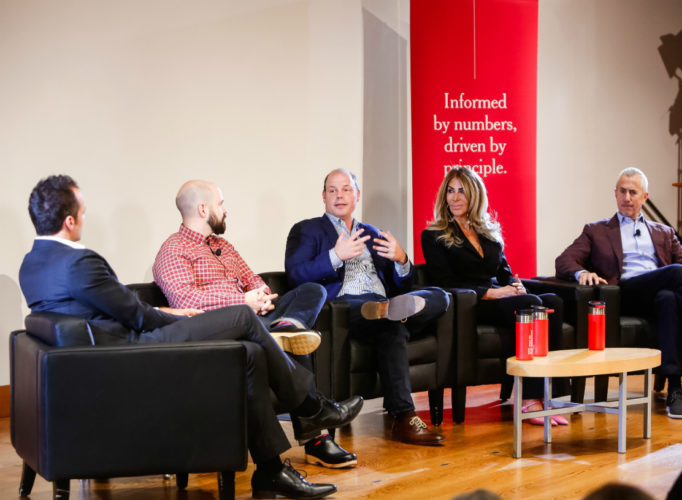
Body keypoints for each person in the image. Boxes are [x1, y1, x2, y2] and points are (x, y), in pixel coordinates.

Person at [19, 175, 362, 499]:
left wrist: (166, 312)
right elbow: (137, 316)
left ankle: (270, 470)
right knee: (242, 316)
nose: (84, 215)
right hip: (132, 352)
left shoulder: (33, 263)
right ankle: (311, 406)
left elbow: (106, 310)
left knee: (251, 353)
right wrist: (170, 313)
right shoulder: (79, 263)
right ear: (69, 221)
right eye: (82, 210)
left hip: (107, 355)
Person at [153, 179, 358, 469]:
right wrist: (242, 302)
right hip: (225, 327)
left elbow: (253, 279)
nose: (225, 210)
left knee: (312, 290)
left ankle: (284, 328)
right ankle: (316, 440)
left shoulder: (224, 245)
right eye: (221, 204)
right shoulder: (173, 250)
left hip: (259, 317)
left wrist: (260, 296)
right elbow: (186, 298)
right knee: (296, 341)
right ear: (203, 208)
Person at [285, 168, 450, 445]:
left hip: (383, 305)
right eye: (333, 190)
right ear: (323, 197)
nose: (339, 195)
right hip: (345, 307)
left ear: (357, 195)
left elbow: (402, 289)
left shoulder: (372, 233)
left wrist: (401, 260)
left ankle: (388, 315)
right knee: (389, 316)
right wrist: (335, 256)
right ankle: (405, 417)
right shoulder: (307, 229)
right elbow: (295, 275)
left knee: (437, 298)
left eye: (346, 189)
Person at [555, 167, 682, 419]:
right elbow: (564, 260)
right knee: (674, 274)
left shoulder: (664, 232)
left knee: (669, 298)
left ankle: (675, 389)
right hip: (626, 294)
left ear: (644, 197)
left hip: (659, 294)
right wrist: (580, 273)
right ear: (615, 193)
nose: (626, 197)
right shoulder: (596, 231)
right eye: (622, 191)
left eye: (633, 192)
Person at [421, 167, 568, 426]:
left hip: (499, 299)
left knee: (552, 302)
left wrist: (516, 286)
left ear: (475, 196)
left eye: (462, 191)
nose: (454, 198)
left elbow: (505, 273)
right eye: (450, 191)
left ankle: (548, 395)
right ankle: (528, 401)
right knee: (530, 305)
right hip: (469, 304)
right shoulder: (433, 235)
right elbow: (444, 283)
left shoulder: (488, 233)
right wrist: (493, 293)